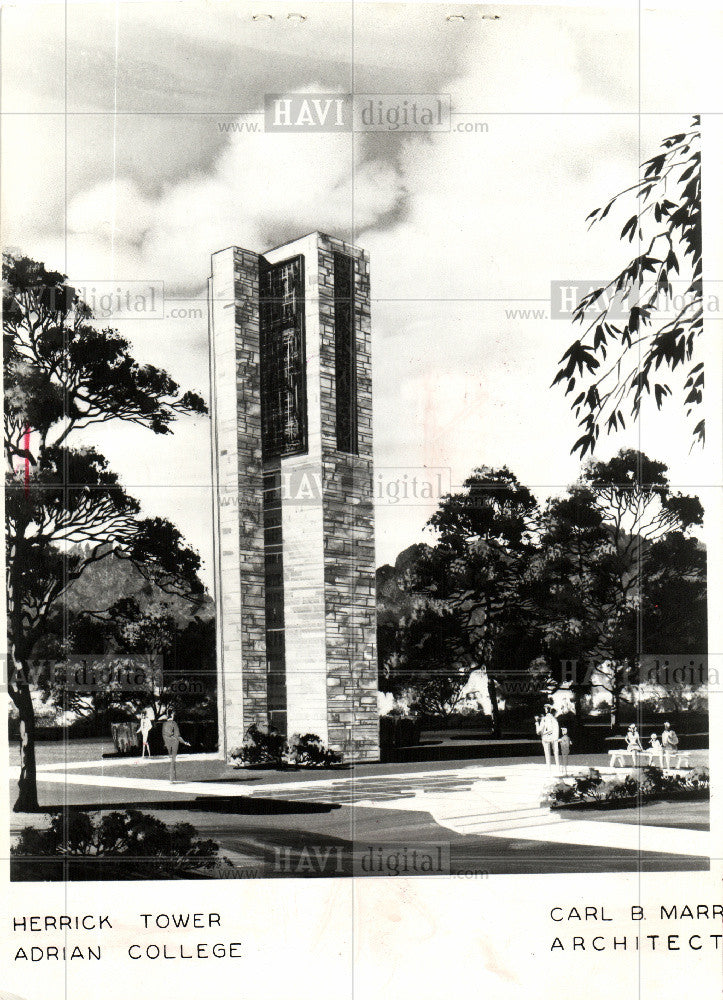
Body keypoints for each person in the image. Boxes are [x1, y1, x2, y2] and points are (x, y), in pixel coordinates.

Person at [161, 710, 190, 783]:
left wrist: (165, 743)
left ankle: (172, 778)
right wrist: (185, 743)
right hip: (174, 743)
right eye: (173, 714)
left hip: (167, 743)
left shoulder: (164, 724)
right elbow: (178, 736)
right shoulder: (174, 723)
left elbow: (163, 734)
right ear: (172, 715)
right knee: (173, 761)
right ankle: (172, 779)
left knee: (171, 760)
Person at [535, 704, 560, 771]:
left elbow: (538, 731)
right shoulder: (555, 720)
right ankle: (558, 768)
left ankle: (549, 769)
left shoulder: (544, 719)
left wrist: (537, 722)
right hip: (554, 738)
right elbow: (557, 730)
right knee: (556, 753)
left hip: (546, 738)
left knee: (547, 754)